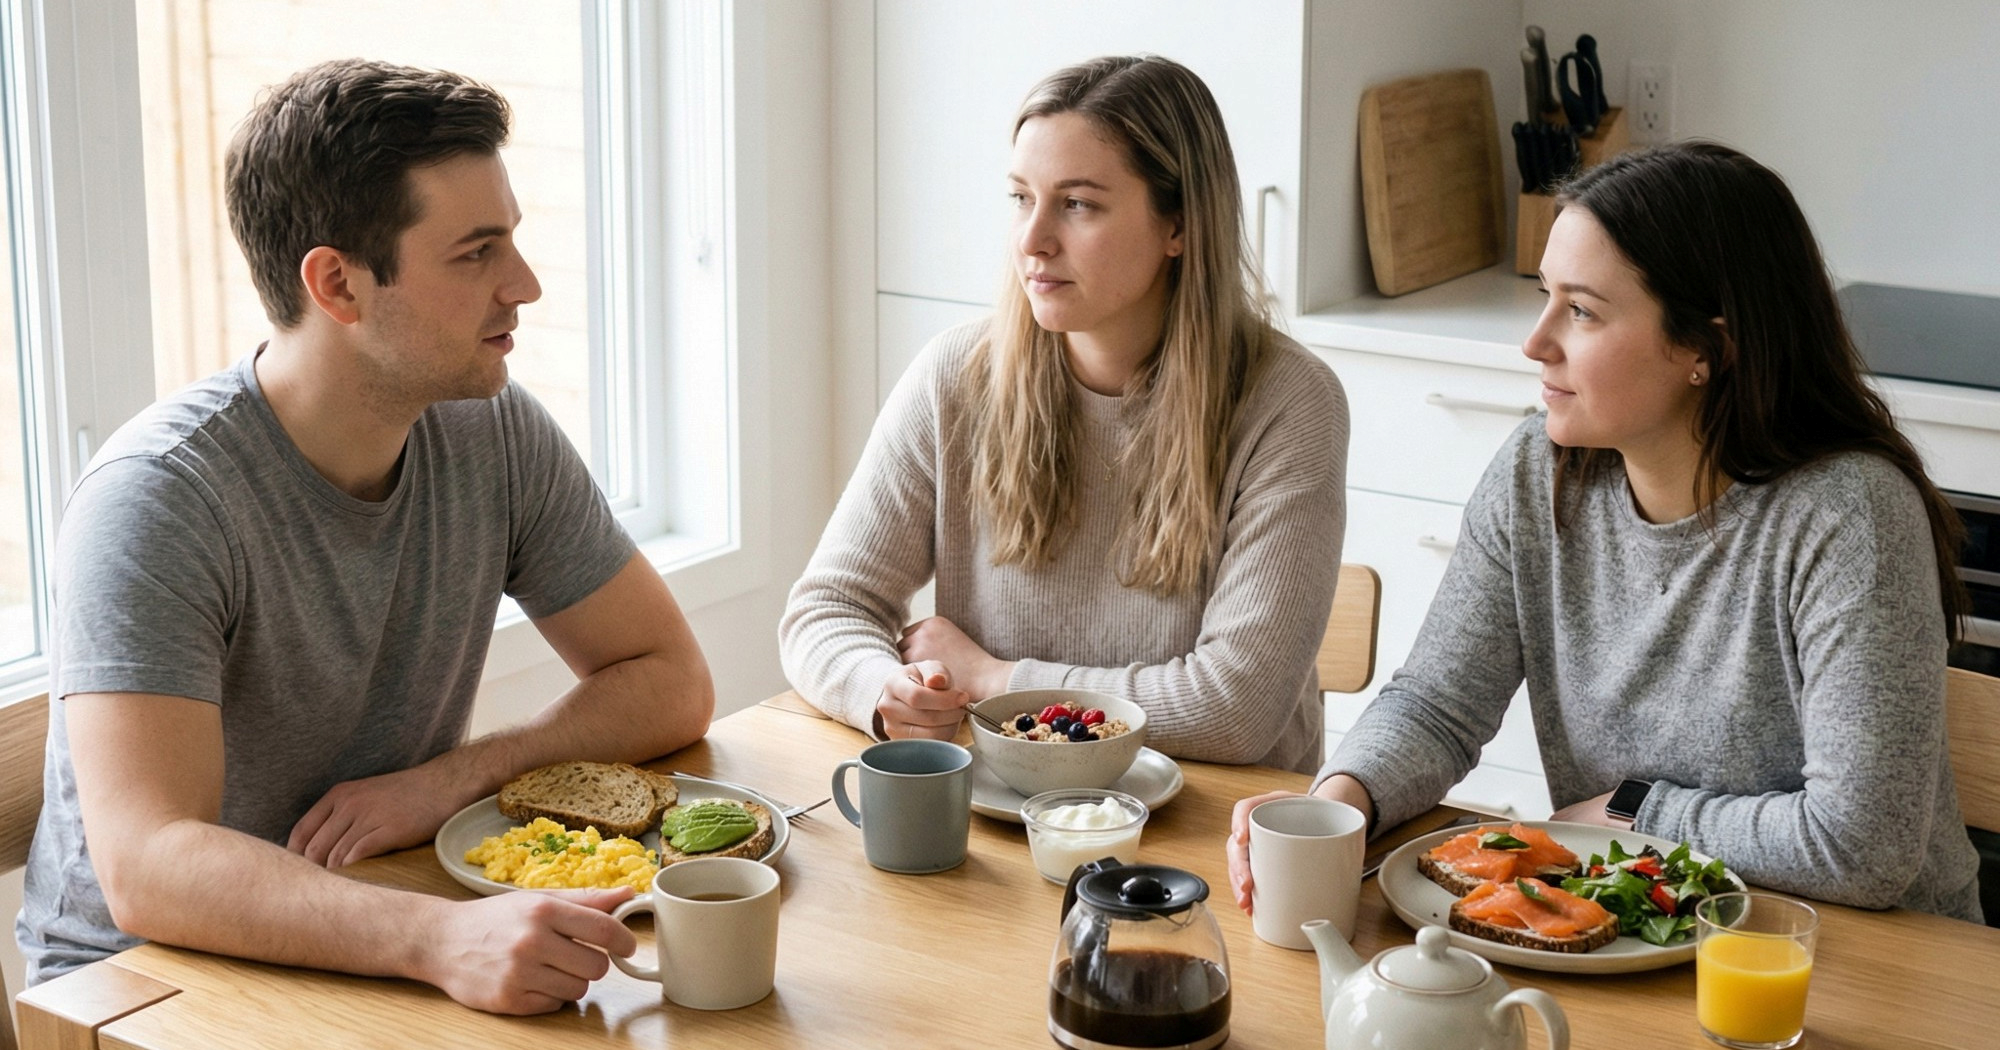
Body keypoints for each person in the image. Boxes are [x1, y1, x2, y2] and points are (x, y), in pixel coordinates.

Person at [15, 59, 717, 1012]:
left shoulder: (492, 427)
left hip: (376, 915)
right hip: (148, 986)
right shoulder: (159, 500)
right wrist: (441, 938)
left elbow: (669, 680)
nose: (526, 285)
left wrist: (448, 782)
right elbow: (150, 863)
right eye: (476, 253)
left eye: (513, 240)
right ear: (337, 285)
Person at [1227, 142, 1983, 922]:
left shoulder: (1847, 515)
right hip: (1638, 931)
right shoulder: (1538, 470)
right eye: (1546, 296)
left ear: (1706, 349)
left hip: (1871, 959)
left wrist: (1634, 812)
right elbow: (1436, 705)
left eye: (1582, 311)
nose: (1535, 342)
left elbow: (1861, 848)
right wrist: (1342, 803)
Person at [780, 54, 1347, 774]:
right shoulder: (956, 377)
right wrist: (883, 688)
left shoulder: (1290, 403)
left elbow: (1234, 710)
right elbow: (825, 609)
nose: (1032, 239)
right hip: (1002, 810)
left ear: (1179, 223)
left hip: (1211, 832)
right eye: (1022, 198)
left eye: (1078, 204)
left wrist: (996, 681)